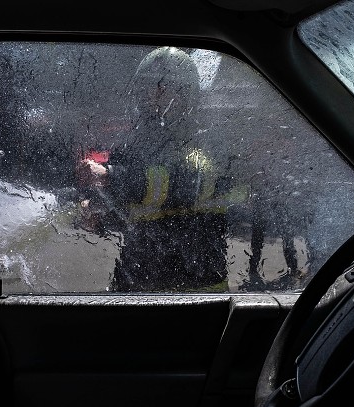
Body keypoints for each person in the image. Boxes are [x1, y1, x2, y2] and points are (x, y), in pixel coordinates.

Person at [77, 46, 247, 292]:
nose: (154, 96)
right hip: (137, 279)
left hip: (196, 284)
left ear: (187, 94)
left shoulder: (206, 141)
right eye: (148, 88)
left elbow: (190, 185)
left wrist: (111, 176)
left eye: (165, 88)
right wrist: (98, 210)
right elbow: (132, 211)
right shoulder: (133, 143)